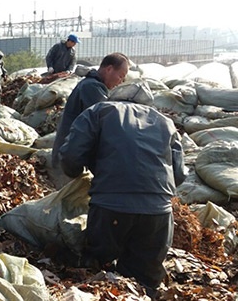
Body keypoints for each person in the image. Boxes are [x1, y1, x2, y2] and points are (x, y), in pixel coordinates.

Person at [58, 81, 186, 299]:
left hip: (111, 207)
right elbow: (180, 175)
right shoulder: (166, 123)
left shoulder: (99, 111)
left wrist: (77, 174)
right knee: (145, 279)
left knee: (98, 272)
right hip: (159, 213)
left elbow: (71, 155)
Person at [51, 52, 130, 169]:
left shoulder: (93, 85)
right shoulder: (91, 87)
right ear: (109, 69)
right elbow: (109, 119)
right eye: (120, 76)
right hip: (69, 158)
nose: (120, 82)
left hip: (72, 155)